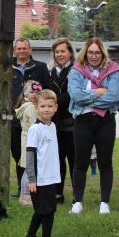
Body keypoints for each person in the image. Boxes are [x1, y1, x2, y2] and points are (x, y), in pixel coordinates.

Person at [67, 37, 119, 215]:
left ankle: (104, 203)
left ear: (103, 53)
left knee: (105, 162)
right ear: (85, 53)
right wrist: (97, 92)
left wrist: (88, 98)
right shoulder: (76, 70)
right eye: (90, 52)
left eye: (97, 52)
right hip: (83, 121)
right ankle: (78, 202)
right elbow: (75, 96)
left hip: (105, 121)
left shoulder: (113, 70)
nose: (94, 56)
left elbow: (113, 96)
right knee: (80, 162)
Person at [23, 88, 65, 237]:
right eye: (42, 106)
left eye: (50, 106)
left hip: (51, 177)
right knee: (48, 211)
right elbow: (30, 154)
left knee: (41, 209)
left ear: (56, 107)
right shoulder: (36, 129)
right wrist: (32, 179)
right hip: (40, 179)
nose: (46, 109)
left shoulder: (52, 126)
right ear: (36, 108)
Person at [11, 37, 50, 195]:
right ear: (15, 50)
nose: (21, 51)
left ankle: (36, 186)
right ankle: (22, 187)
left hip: (35, 120)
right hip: (15, 119)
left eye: (24, 48)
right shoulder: (8, 67)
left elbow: (47, 91)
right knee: (18, 154)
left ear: (30, 49)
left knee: (35, 154)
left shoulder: (40, 68)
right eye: (18, 49)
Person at [47, 38, 75, 202]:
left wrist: (53, 100)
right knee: (57, 159)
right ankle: (58, 192)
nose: (59, 54)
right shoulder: (52, 71)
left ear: (70, 52)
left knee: (73, 160)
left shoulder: (76, 70)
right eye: (57, 52)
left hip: (71, 121)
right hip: (54, 122)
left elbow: (73, 94)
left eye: (63, 51)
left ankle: (77, 195)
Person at [15, 80, 41, 204]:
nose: (34, 94)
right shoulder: (31, 108)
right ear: (26, 93)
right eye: (32, 92)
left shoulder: (26, 105)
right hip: (31, 140)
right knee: (29, 169)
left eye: (37, 92)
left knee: (27, 167)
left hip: (26, 138)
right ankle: (26, 195)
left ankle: (25, 194)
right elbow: (35, 125)